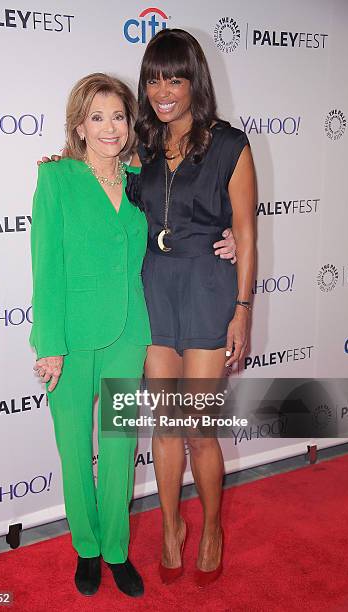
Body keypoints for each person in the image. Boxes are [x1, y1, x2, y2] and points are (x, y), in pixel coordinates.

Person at [126, 28, 256, 587]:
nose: (163, 90)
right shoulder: (142, 144)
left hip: (207, 288)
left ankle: (211, 528)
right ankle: (171, 526)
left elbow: (246, 233)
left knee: (198, 428)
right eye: (154, 79)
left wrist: (243, 309)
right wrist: (60, 163)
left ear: (193, 81)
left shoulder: (230, 143)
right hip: (154, 288)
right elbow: (101, 180)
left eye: (174, 78)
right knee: (164, 425)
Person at [30, 73, 151, 598]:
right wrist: (50, 344)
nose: (109, 127)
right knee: (74, 447)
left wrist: (228, 241)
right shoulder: (57, 180)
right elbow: (46, 266)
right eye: (97, 117)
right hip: (72, 337)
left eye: (119, 116)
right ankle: (87, 548)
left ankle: (118, 550)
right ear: (79, 125)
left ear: (130, 124)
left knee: (121, 445)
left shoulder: (143, 180)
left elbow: (183, 232)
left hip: (131, 329)